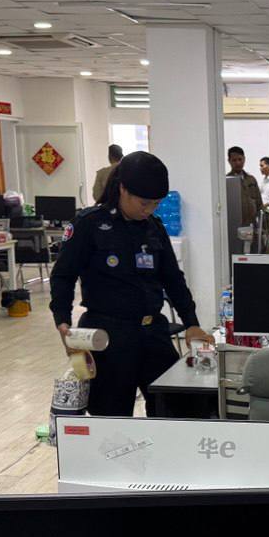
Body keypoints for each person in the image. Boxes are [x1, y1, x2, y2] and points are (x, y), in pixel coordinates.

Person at [50, 151, 213, 417]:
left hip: (152, 332)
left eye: (156, 204)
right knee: (112, 418)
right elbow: (62, 276)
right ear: (122, 189)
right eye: (144, 203)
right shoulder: (90, 224)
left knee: (178, 407)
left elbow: (173, 279)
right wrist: (62, 321)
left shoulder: (154, 227)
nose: (148, 210)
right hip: (107, 336)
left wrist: (191, 323)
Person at [226, 145, 264, 228]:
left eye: (240, 159)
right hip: (235, 226)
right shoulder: (227, 182)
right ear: (229, 161)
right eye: (234, 160)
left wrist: (262, 227)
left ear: (244, 159)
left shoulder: (251, 179)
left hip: (252, 225)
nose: (238, 163)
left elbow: (259, 204)